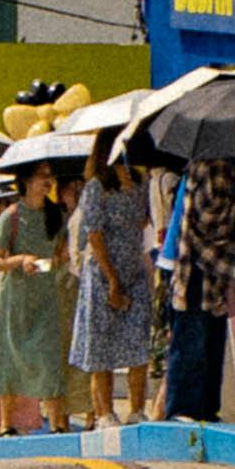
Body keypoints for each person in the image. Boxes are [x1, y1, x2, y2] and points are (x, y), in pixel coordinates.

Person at [63, 141, 160, 427]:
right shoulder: (96, 187)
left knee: (138, 343)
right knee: (101, 345)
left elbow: (144, 221)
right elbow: (94, 234)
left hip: (134, 269)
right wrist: (112, 280)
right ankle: (104, 412)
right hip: (103, 271)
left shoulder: (139, 182)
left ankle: (137, 408)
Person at [159, 150, 235, 426]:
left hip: (211, 270)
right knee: (192, 342)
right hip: (200, 267)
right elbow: (208, 217)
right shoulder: (212, 167)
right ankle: (184, 409)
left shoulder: (219, 165)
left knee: (210, 343)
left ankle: (204, 409)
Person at [0, 165, 72, 435]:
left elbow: (58, 255)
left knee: (49, 357)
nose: (48, 181)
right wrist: (20, 260)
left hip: (45, 296)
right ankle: (7, 423)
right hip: (14, 299)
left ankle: (56, 423)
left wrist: (54, 259)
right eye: (42, 176)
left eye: (50, 176)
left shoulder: (55, 214)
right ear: (27, 180)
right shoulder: (11, 217)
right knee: (9, 355)